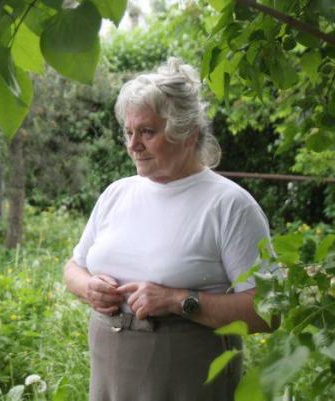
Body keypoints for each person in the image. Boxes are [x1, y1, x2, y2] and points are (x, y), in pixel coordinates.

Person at [63, 58, 276, 401]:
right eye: (129, 132)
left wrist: (178, 301)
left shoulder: (230, 205)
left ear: (188, 134)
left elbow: (268, 312)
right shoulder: (117, 193)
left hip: (187, 376)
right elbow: (74, 267)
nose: (133, 145)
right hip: (109, 375)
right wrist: (89, 287)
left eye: (147, 132)